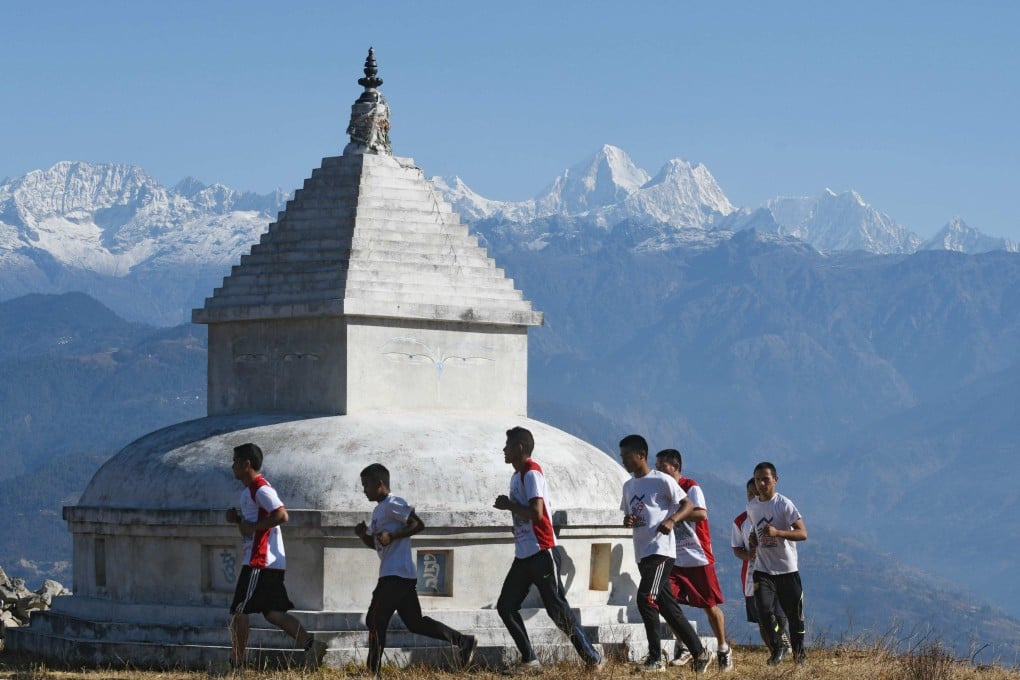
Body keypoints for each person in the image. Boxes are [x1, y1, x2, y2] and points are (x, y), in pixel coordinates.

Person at [493, 426, 604, 674]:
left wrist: (508, 506)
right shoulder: (516, 476)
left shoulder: (531, 473)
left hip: (542, 552)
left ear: (520, 448)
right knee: (506, 606)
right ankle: (530, 659)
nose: (504, 450)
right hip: (524, 555)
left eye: (508, 445)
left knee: (558, 610)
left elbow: (537, 512)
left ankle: (592, 658)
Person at [355, 463, 477, 676]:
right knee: (415, 623)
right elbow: (377, 544)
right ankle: (463, 641)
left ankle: (372, 671)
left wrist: (392, 536)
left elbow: (418, 524)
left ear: (379, 484)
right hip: (400, 575)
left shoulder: (394, 503)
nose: (364, 490)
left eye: (366, 485)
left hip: (395, 575)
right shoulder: (378, 510)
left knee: (374, 620)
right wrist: (363, 535)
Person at [224, 443, 327, 671]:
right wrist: (238, 520)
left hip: (259, 560)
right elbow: (249, 527)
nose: (232, 466)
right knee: (273, 613)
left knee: (239, 611)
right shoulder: (251, 491)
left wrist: (254, 527)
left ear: (246, 464)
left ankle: (236, 665)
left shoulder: (260, 489)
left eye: (235, 461)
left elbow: (282, 514)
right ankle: (311, 645)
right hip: (268, 561)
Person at [619, 435, 710, 674]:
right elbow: (630, 515)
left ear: (640, 455)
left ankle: (655, 657)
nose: (624, 461)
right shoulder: (629, 486)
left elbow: (688, 505)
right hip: (643, 552)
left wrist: (672, 519)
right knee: (668, 607)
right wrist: (627, 520)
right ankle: (700, 652)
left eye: (627, 456)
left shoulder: (661, 481)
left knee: (646, 598)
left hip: (662, 551)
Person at [653, 448, 732, 672]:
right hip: (673, 556)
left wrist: (675, 514)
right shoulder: (661, 490)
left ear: (675, 467)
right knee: (665, 601)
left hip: (697, 556)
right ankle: (685, 645)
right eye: (656, 465)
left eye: (662, 465)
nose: (658, 468)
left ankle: (723, 647)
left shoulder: (690, 487)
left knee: (709, 605)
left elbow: (700, 514)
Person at [746, 462, 808, 665]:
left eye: (765, 479)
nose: (761, 483)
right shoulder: (752, 505)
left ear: (775, 480)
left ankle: (800, 656)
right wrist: (753, 539)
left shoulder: (784, 505)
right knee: (763, 612)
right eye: (757, 479)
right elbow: (755, 531)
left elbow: (802, 533)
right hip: (763, 569)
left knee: (794, 617)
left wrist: (779, 533)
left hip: (787, 570)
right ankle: (778, 646)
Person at [731, 478, 789, 655]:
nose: (753, 497)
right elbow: (736, 548)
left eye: (756, 493)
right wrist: (748, 555)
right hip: (752, 576)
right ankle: (775, 650)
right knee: (762, 619)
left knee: (779, 614)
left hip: (778, 571)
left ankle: (781, 638)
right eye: (750, 494)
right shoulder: (741, 521)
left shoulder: (777, 513)